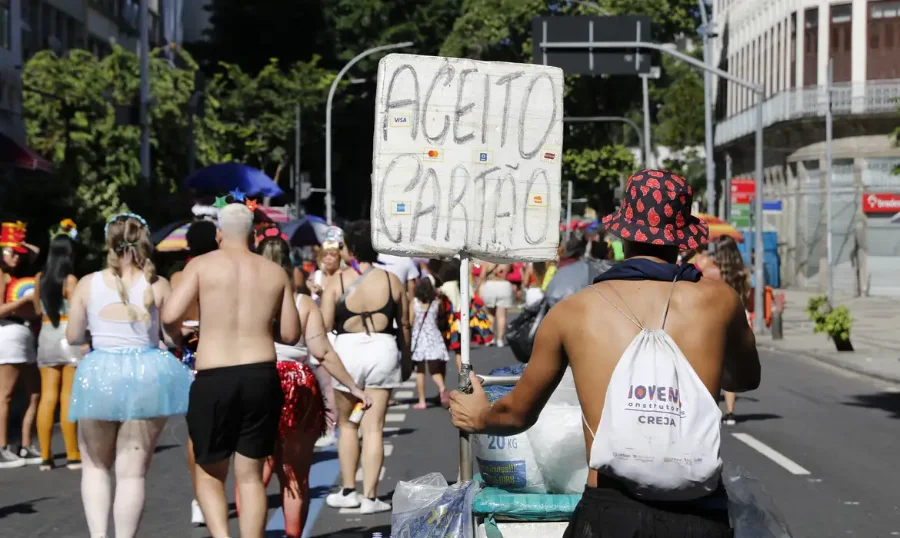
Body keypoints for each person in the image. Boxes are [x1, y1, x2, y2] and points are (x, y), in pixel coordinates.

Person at [450, 170, 760, 538]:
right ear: (683, 238)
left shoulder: (574, 311)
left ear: (623, 233)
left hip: (610, 513)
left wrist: (480, 416)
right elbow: (744, 379)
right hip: (699, 516)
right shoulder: (721, 301)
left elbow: (518, 414)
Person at [161, 203, 299, 538]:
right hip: (260, 375)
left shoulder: (202, 266)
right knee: (250, 476)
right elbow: (291, 334)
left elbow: (168, 316)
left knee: (210, 473)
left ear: (220, 234)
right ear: (253, 235)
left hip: (215, 376)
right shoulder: (274, 272)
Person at [235, 231, 371, 537]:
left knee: (253, 475)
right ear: (289, 264)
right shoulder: (303, 303)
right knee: (295, 475)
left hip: (256, 380)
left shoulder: (242, 301)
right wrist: (353, 386)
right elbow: (322, 352)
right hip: (297, 384)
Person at [66, 213, 193, 538]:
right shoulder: (158, 284)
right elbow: (171, 336)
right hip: (148, 375)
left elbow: (74, 335)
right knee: (132, 475)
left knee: (95, 467)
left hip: (101, 373)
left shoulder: (87, 284)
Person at [320, 220, 411, 514]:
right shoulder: (391, 280)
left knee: (347, 425)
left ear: (351, 248)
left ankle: (348, 490)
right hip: (382, 349)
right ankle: (371, 497)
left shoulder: (337, 282)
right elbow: (405, 324)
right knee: (374, 429)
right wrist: (407, 357)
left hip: (346, 351)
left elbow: (322, 326)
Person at [169, 219, 219, 526]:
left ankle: (200, 497)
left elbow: (172, 320)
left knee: (195, 433)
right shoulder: (223, 272)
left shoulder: (179, 277)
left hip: (190, 359)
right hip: (224, 354)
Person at [33, 222, 83, 470]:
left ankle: (45, 456)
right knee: (67, 396)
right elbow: (76, 312)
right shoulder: (71, 280)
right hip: (67, 335)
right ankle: (73, 453)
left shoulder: (39, 279)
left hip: (45, 333)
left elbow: (35, 310)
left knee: (47, 396)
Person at [0, 221, 42, 468]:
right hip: (7, 333)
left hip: (23, 334)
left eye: (18, 252)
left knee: (34, 393)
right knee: (5, 396)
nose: (16, 256)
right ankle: (3, 447)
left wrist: (15, 238)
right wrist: (22, 302)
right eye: (10, 252)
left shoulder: (17, 276)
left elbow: (35, 251)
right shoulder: (2, 276)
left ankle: (25, 446)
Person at [305, 227, 344, 448]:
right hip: (318, 333)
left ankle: (336, 425)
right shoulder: (316, 276)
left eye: (333, 255)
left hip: (337, 335)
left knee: (335, 385)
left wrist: (325, 295)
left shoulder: (342, 278)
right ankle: (329, 426)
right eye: (326, 255)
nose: (329, 258)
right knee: (322, 385)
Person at [714, 235, 752, 427]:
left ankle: (712, 409)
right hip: (740, 317)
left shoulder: (714, 271)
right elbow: (747, 296)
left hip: (718, 317)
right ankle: (730, 412)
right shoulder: (744, 272)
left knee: (714, 365)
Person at [410, 275, 450, 410]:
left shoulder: (414, 303)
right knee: (434, 370)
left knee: (420, 371)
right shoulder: (436, 303)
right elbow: (442, 318)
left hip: (419, 338)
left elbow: (410, 321)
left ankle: (422, 401)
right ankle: (442, 388)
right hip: (434, 337)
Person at [476, 261, 513, 346]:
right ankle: (500, 339)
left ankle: (490, 338)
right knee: (502, 316)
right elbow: (510, 271)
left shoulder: (488, 261)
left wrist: (477, 289)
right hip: (504, 286)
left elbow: (482, 276)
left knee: (490, 314)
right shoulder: (507, 261)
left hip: (490, 285)